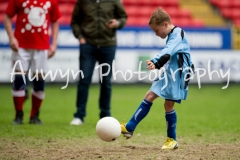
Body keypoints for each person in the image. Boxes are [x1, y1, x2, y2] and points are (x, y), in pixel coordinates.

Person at [121, 7, 195, 150]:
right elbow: (169, 54)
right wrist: (157, 63)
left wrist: (155, 61)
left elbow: (168, 51)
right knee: (149, 95)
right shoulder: (173, 35)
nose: (156, 34)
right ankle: (130, 127)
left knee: (168, 105)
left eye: (156, 30)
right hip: (170, 72)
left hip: (179, 73)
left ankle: (172, 140)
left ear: (165, 24)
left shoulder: (178, 33)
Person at [69, 0, 127, 125]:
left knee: (106, 82)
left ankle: (105, 115)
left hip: (108, 45)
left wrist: (117, 23)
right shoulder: (83, 1)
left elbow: (123, 17)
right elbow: (74, 21)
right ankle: (79, 115)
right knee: (84, 80)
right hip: (88, 45)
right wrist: (80, 37)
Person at [4, 0, 62, 124]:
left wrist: (54, 44)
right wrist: (11, 38)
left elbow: (55, 21)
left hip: (42, 46)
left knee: (39, 81)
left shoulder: (51, 1)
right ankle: (18, 115)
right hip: (21, 45)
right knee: (19, 79)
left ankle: (34, 115)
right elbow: (7, 17)